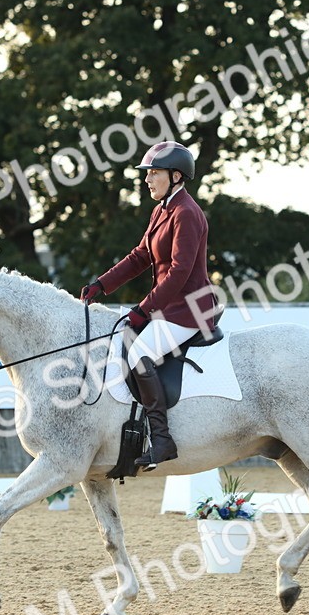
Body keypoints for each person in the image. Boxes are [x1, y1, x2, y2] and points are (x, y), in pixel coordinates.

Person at [80, 141, 217, 470]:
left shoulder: (187, 213)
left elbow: (179, 272)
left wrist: (144, 310)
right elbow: (140, 256)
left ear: (176, 176)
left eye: (153, 173)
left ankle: (162, 439)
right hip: (172, 306)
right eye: (148, 173)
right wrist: (103, 284)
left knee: (140, 354)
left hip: (190, 308)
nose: (147, 179)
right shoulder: (162, 210)